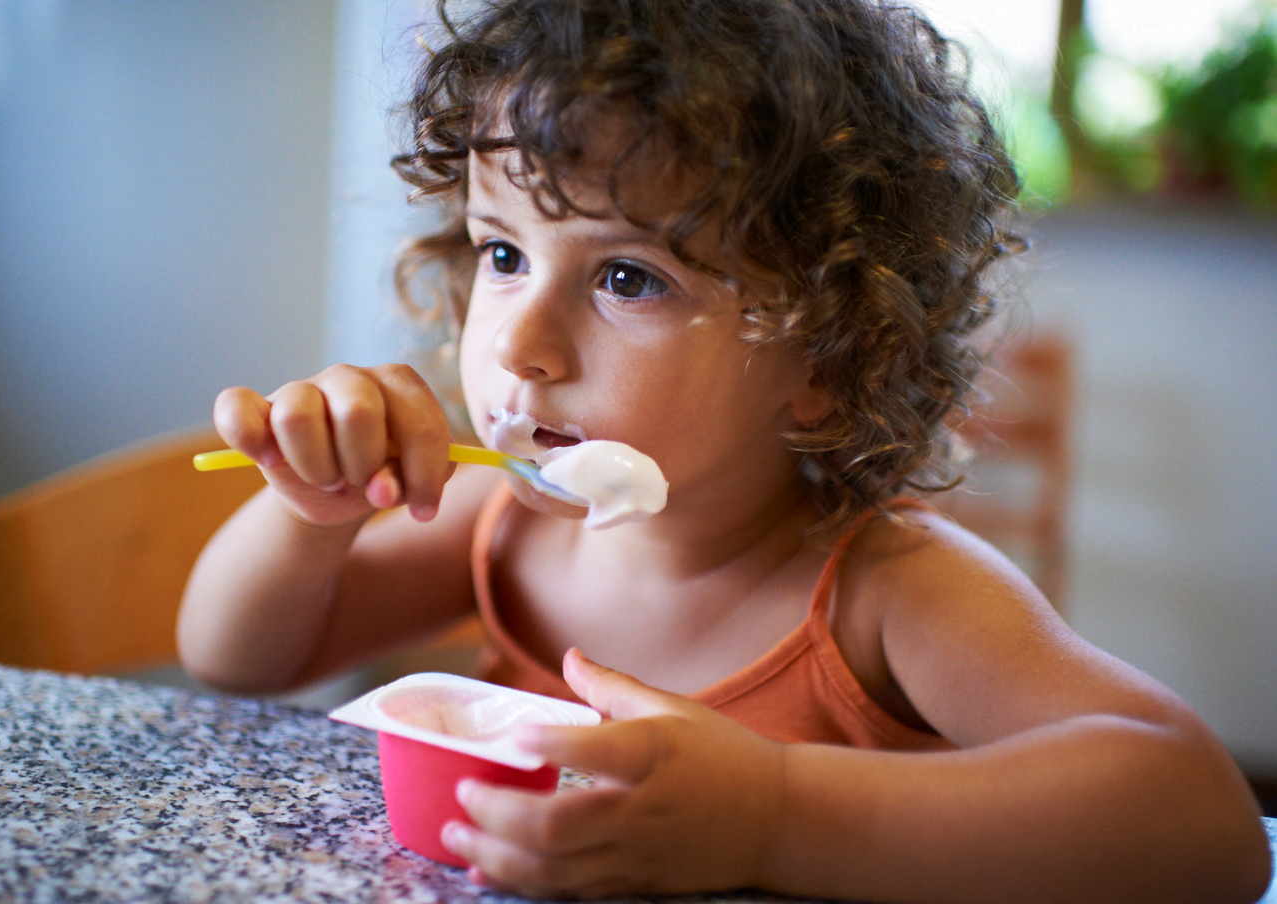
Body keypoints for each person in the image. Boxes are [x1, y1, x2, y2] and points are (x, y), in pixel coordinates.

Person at [177, 0, 1272, 900]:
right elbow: (239, 659)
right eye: (502, 252)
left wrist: (773, 815)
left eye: (626, 278)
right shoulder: (498, 526)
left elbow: (1203, 825)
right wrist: (308, 518)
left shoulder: (885, 596)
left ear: (824, 359)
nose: (518, 343)